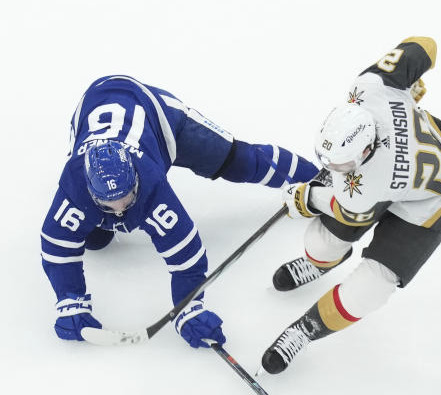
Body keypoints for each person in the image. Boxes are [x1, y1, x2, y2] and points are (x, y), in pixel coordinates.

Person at [41, 75, 318, 348]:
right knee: (95, 240)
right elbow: (57, 246)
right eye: (109, 204)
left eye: (127, 197)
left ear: (136, 178)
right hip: (93, 103)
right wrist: (69, 299)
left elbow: (186, 253)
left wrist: (189, 308)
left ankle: (319, 179)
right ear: (90, 189)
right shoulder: (74, 187)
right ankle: (101, 221)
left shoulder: (151, 185)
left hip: (158, 115)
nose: (121, 208)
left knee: (240, 161)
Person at [260, 37, 441, 373]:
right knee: (321, 244)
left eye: (340, 166)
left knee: (369, 289)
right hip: (410, 162)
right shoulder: (372, 88)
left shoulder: (365, 182)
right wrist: (404, 85)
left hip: (429, 203)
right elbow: (425, 44)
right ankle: (321, 264)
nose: (333, 169)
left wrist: (307, 199)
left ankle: (304, 329)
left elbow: (346, 208)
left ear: (364, 152)